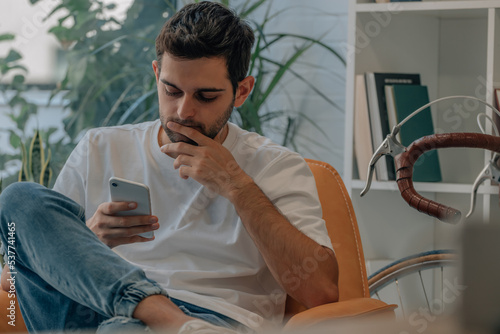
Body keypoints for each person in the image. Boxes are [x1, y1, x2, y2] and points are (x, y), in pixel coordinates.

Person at [0, 2, 339, 333]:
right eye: (172, 90)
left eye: (206, 96)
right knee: (19, 197)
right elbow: (11, 280)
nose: (184, 111)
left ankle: (160, 318)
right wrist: (89, 240)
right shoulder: (99, 148)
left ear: (242, 91)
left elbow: (321, 290)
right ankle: (166, 318)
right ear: (156, 74)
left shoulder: (276, 166)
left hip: (213, 318)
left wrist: (237, 185)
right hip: (90, 310)